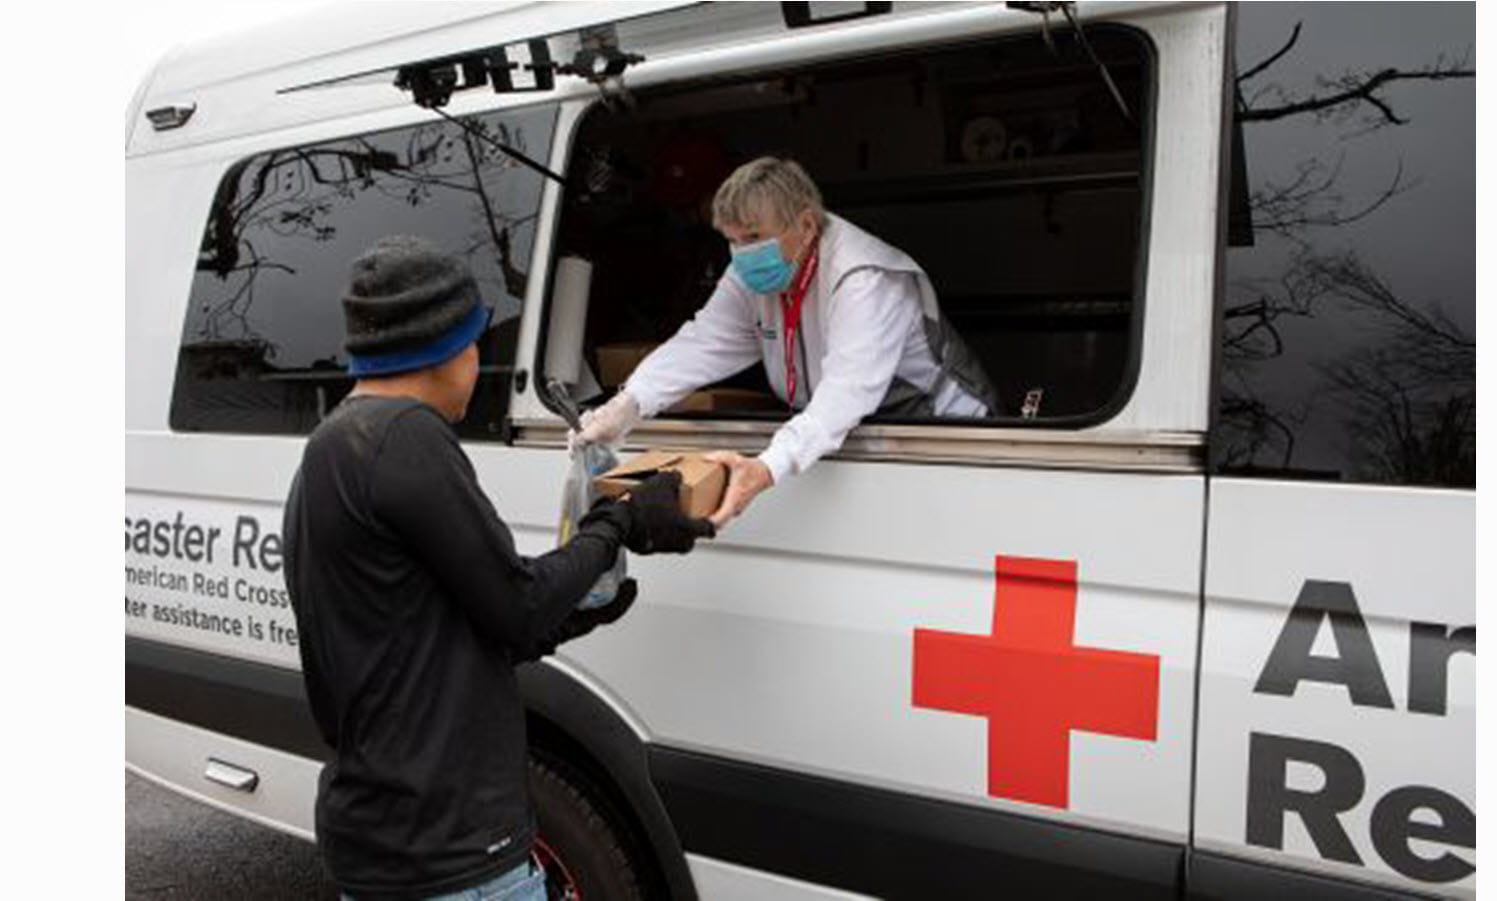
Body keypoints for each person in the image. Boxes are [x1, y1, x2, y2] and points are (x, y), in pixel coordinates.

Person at [282, 236, 713, 901]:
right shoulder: (409, 438)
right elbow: (519, 604)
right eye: (476, 340)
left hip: (380, 838)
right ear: (445, 347)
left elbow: (461, 624)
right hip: (453, 851)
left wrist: (577, 612)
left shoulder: (335, 444)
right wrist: (619, 521)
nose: (478, 359)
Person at [575, 156, 996, 527]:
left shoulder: (863, 278)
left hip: (944, 432)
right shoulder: (751, 271)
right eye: (732, 240)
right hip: (860, 433)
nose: (741, 254)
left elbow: (844, 396)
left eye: (754, 237)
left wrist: (767, 467)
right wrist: (629, 403)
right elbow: (704, 343)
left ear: (807, 224)